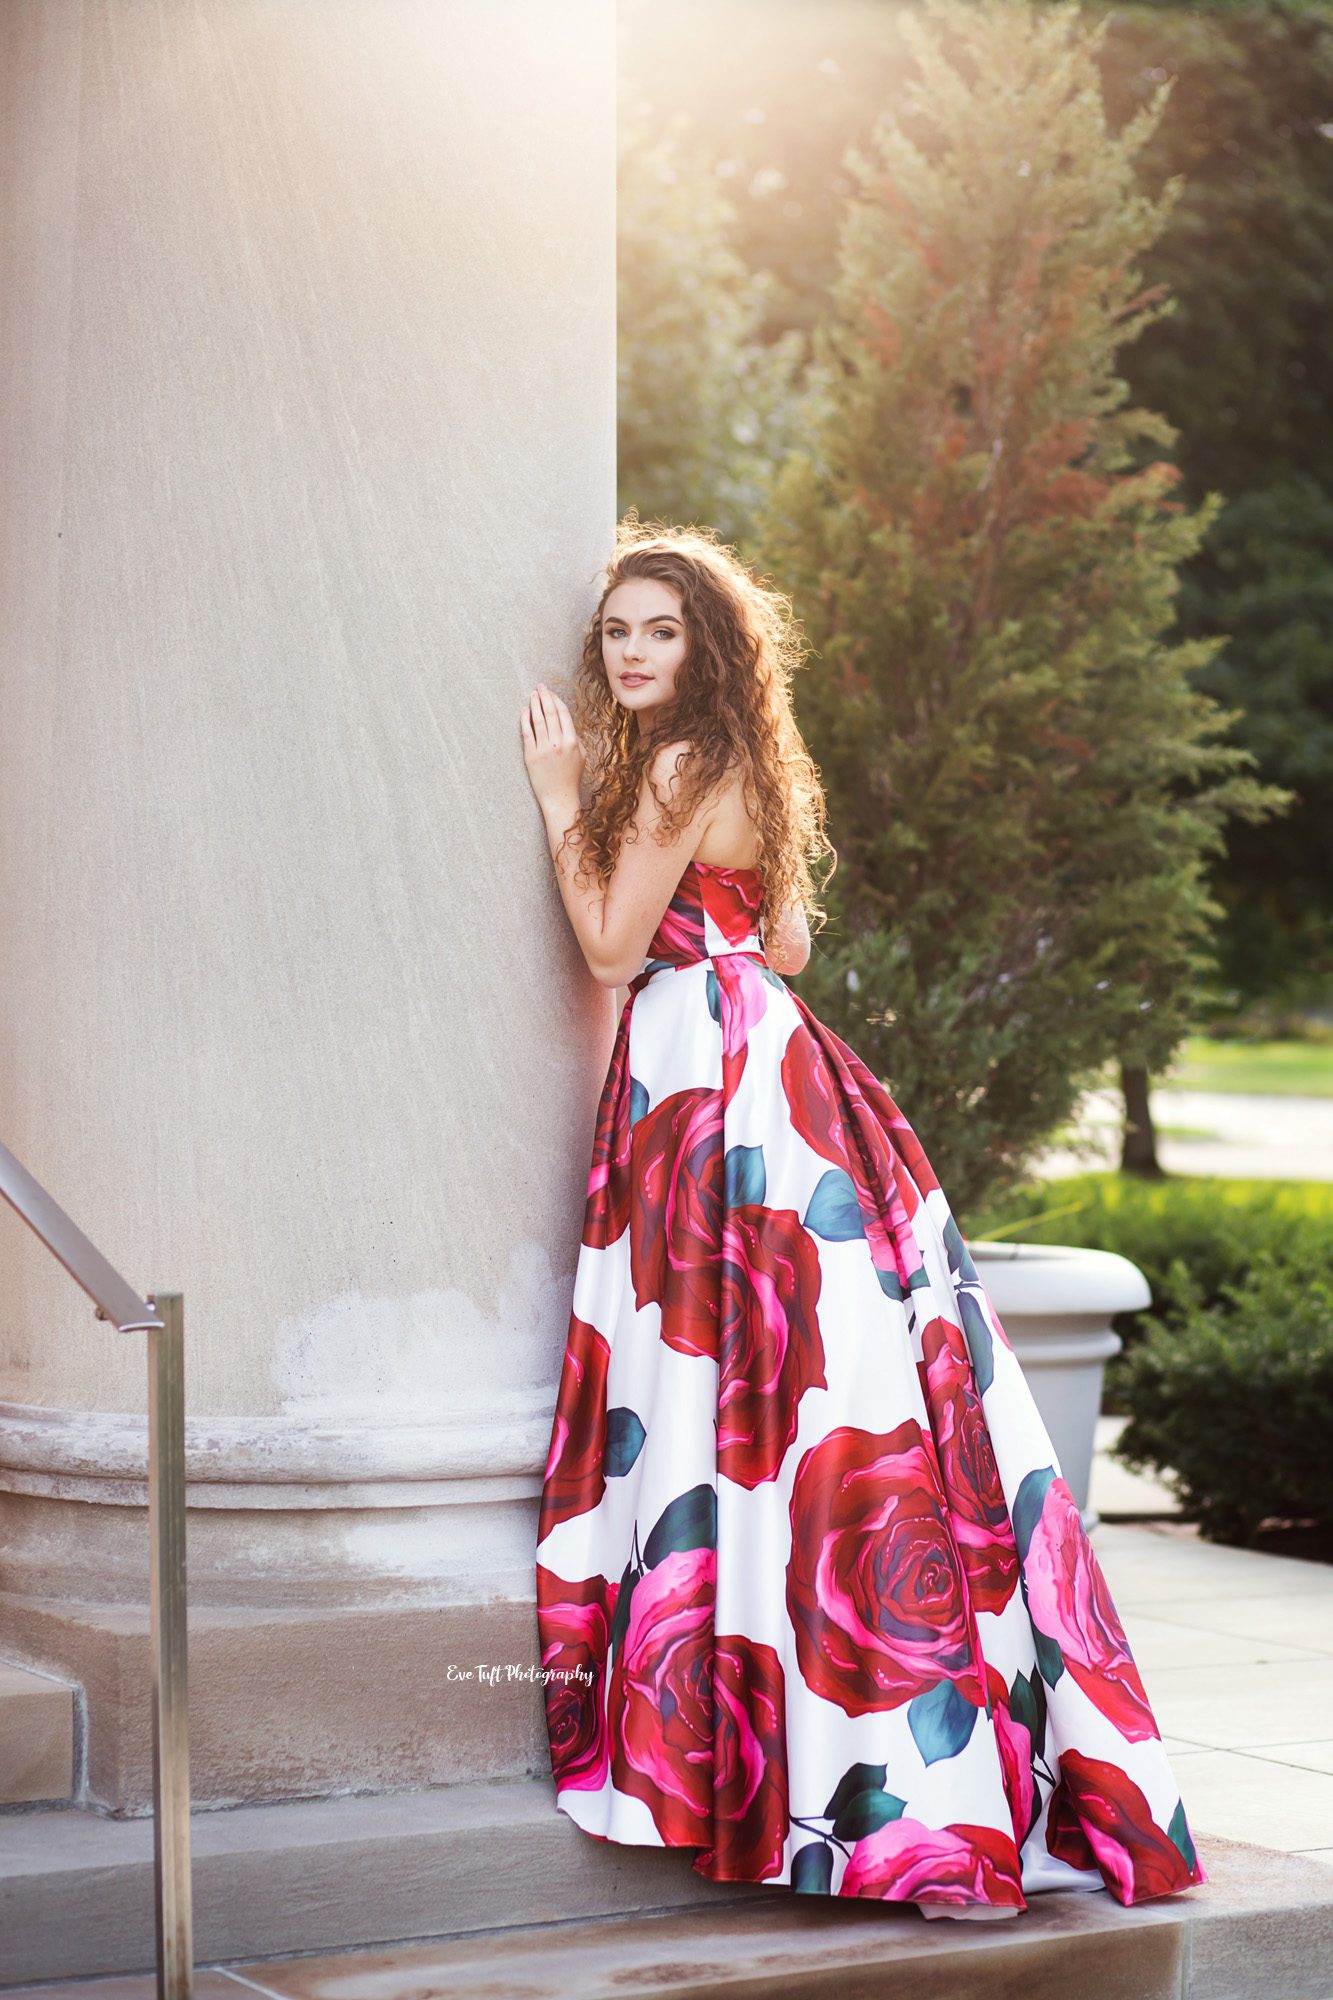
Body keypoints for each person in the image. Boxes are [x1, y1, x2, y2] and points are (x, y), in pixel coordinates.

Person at [519, 520, 1208, 1918]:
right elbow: (782, 947)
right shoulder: (757, 769)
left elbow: (604, 945)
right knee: (814, 1397)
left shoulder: (670, 762)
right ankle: (897, 1776)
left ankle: (776, 1754)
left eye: (660, 631)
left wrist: (553, 793)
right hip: (778, 1065)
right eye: (616, 634)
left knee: (733, 1385)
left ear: (706, 649)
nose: (635, 654)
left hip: (702, 1083)